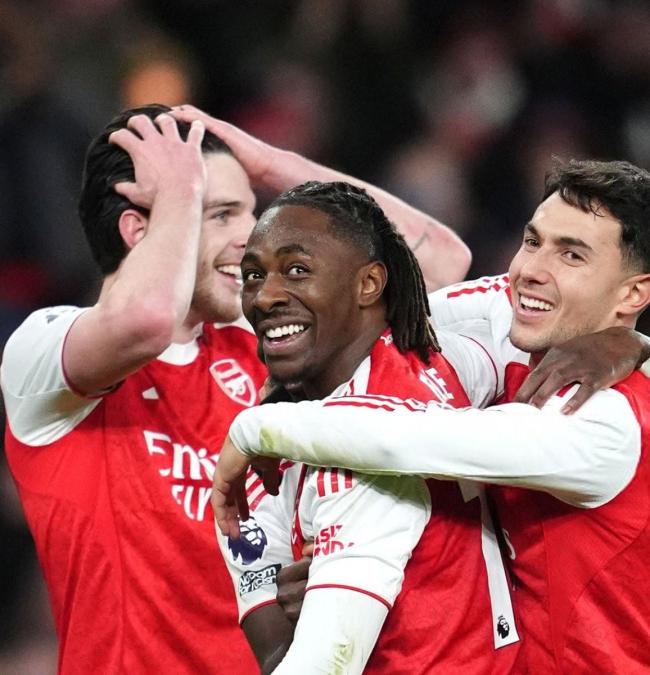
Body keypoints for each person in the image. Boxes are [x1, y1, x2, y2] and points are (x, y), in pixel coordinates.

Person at [0, 103, 475, 673]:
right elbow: (147, 318)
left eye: (252, 211)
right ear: (138, 230)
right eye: (221, 214)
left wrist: (272, 164)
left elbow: (440, 261)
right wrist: (181, 190)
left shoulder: (261, 342)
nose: (251, 237)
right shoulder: (43, 355)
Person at [214, 159, 650, 672]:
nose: (530, 269)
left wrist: (256, 430)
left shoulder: (604, 422)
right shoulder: (511, 323)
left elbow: (412, 437)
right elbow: (396, 309)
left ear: (633, 294)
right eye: (533, 241)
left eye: (572, 254)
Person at [216, 179, 520, 674]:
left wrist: (633, 345)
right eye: (253, 275)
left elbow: (317, 665)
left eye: (297, 270)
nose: (265, 297)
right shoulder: (452, 353)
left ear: (369, 284)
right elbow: (272, 640)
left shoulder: (352, 462)